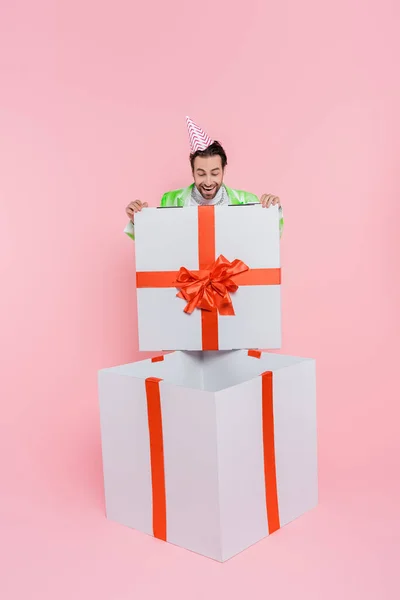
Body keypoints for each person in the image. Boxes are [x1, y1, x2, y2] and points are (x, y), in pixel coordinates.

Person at [124, 117, 284, 240]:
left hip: (233, 282)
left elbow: (266, 241)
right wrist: (137, 220)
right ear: (192, 171)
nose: (208, 182)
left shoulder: (247, 200)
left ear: (223, 170)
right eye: (201, 174)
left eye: (215, 173)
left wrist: (272, 212)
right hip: (186, 281)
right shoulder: (170, 200)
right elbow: (157, 242)